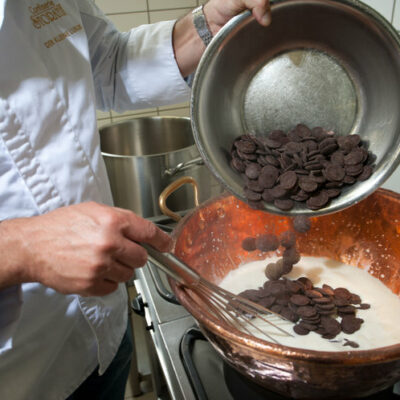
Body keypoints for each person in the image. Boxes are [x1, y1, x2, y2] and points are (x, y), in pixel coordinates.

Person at [0, 0, 271, 399]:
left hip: (100, 334)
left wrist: (202, 26)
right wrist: (19, 248)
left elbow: (106, 63)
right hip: (17, 370)